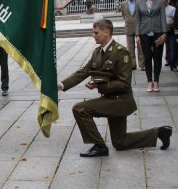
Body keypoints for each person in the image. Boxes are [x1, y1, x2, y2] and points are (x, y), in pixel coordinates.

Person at [58, 19, 172, 157]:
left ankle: (100, 146)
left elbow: (124, 84)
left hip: (120, 100)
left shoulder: (121, 52)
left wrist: (99, 85)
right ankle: (160, 132)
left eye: (96, 32)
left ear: (106, 32)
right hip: (111, 99)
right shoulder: (97, 52)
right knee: (120, 142)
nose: (93, 35)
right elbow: (83, 72)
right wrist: (61, 85)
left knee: (80, 109)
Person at [135, 0, 167, 92]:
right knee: (147, 57)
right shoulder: (139, 2)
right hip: (144, 33)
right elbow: (137, 19)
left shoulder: (159, 1)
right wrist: (137, 35)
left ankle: (156, 81)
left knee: (157, 58)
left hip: (158, 32)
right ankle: (149, 81)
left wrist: (164, 33)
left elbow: (163, 17)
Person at [121, 0, 145, 71]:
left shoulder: (140, 2)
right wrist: (128, 21)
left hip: (139, 28)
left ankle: (142, 64)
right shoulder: (123, 4)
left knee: (141, 47)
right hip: (129, 28)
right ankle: (132, 64)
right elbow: (123, 15)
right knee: (130, 48)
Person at [160, 0, 177, 71]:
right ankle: (158, 65)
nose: (164, 0)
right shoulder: (157, 9)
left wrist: (169, 26)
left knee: (172, 48)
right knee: (158, 49)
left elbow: (175, 19)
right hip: (160, 32)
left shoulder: (173, 9)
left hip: (170, 31)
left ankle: (173, 65)